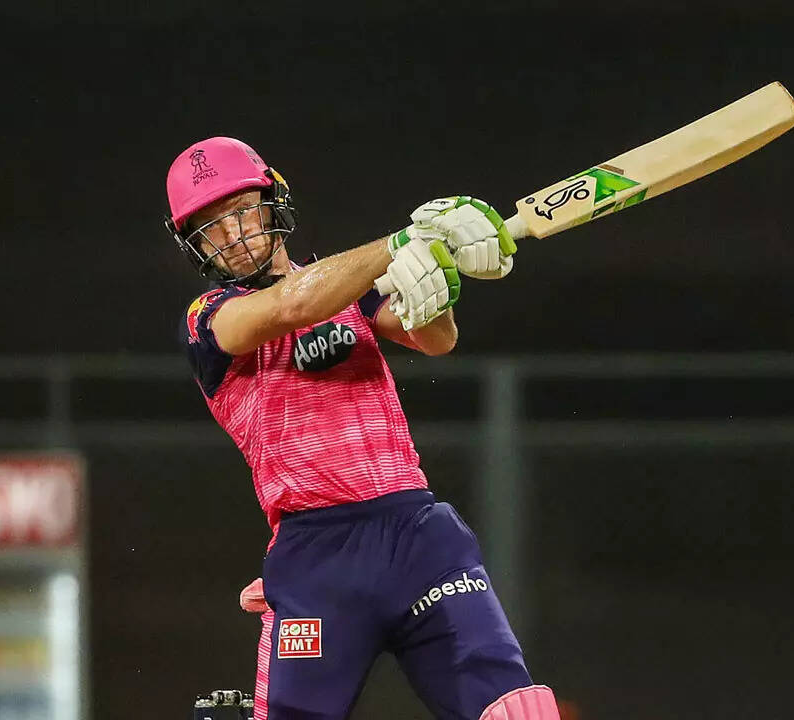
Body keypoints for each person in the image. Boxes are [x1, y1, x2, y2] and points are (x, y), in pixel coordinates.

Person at [167, 137, 559, 720]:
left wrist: (433, 286)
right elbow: (291, 306)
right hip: (317, 557)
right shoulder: (207, 320)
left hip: (417, 536)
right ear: (194, 244)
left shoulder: (350, 287)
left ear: (273, 201)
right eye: (211, 226)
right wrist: (404, 242)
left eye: (242, 210)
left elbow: (436, 339)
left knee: (516, 712)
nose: (233, 234)